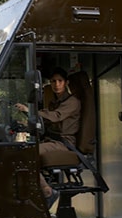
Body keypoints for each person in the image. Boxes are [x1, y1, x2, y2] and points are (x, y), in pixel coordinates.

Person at [16, 67, 81, 209]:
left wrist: (30, 110)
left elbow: (56, 116)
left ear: (66, 83)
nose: (56, 84)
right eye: (53, 81)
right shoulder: (53, 102)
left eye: (60, 81)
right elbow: (45, 122)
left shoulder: (72, 102)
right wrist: (25, 124)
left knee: (28, 153)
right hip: (51, 141)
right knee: (20, 151)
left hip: (64, 143)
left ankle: (47, 191)